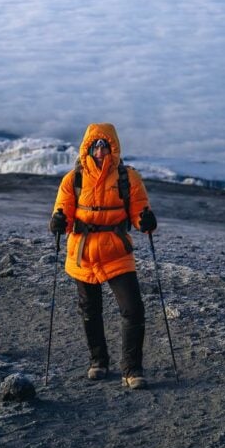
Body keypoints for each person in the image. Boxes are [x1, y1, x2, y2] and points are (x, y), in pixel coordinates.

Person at [49, 123, 158, 389]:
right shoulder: (73, 179)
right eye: (95, 145)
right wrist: (58, 221)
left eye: (104, 145)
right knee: (90, 311)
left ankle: (132, 370)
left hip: (116, 251)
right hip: (83, 253)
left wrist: (145, 220)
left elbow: (139, 210)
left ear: (113, 147)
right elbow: (63, 211)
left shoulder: (128, 178)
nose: (100, 150)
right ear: (87, 148)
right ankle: (99, 362)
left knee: (133, 310)